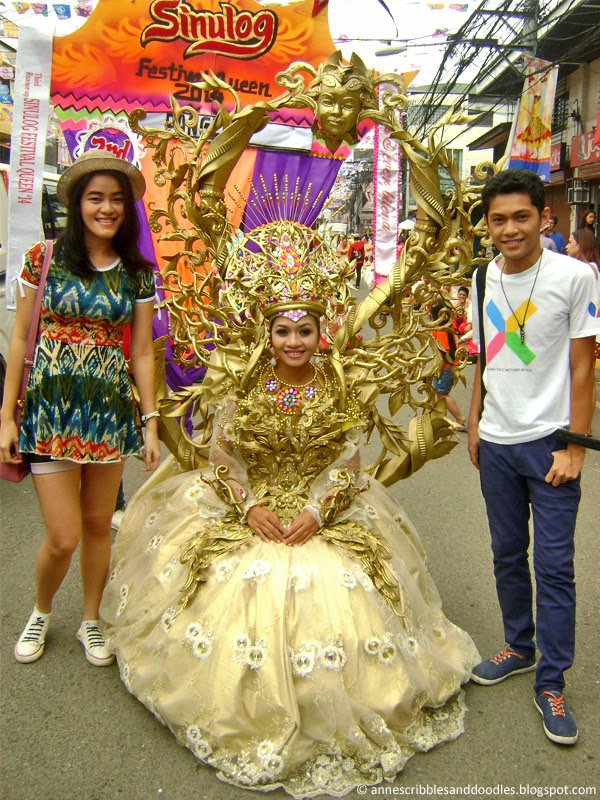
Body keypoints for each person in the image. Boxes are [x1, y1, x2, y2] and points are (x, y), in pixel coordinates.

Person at [100, 220, 479, 797]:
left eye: (305, 330)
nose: (294, 342)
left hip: (316, 514)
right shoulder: (244, 387)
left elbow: (348, 464)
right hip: (252, 512)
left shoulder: (335, 387)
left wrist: (319, 511)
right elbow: (222, 457)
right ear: (267, 333)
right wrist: (249, 508)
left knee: (342, 592)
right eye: (283, 331)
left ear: (320, 332)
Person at [0, 150, 161, 667]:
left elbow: (139, 350)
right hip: (49, 412)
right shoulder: (42, 258)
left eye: (116, 199)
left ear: (127, 209)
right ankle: (42, 609)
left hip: (108, 413)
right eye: (96, 198)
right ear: (76, 203)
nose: (106, 208)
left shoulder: (136, 273)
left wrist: (151, 423)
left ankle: (90, 619)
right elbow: (21, 338)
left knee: (97, 525)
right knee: (63, 534)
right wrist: (6, 417)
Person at [466, 169, 598, 746]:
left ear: (543, 218)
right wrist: (474, 423)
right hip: (496, 442)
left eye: (521, 217)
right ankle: (519, 647)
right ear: (488, 226)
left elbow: (583, 367)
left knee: (555, 565)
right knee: (504, 553)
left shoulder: (574, 277)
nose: (510, 229)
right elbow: (485, 360)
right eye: (499, 219)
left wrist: (575, 447)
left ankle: (552, 680)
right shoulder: (479, 279)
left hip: (549, 446)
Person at [430, 299, 467, 431]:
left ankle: (459, 418)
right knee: (437, 391)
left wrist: (436, 368)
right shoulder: (448, 327)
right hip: (450, 366)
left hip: (445, 367)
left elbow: (443, 351)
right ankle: (438, 416)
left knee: (442, 394)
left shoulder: (440, 330)